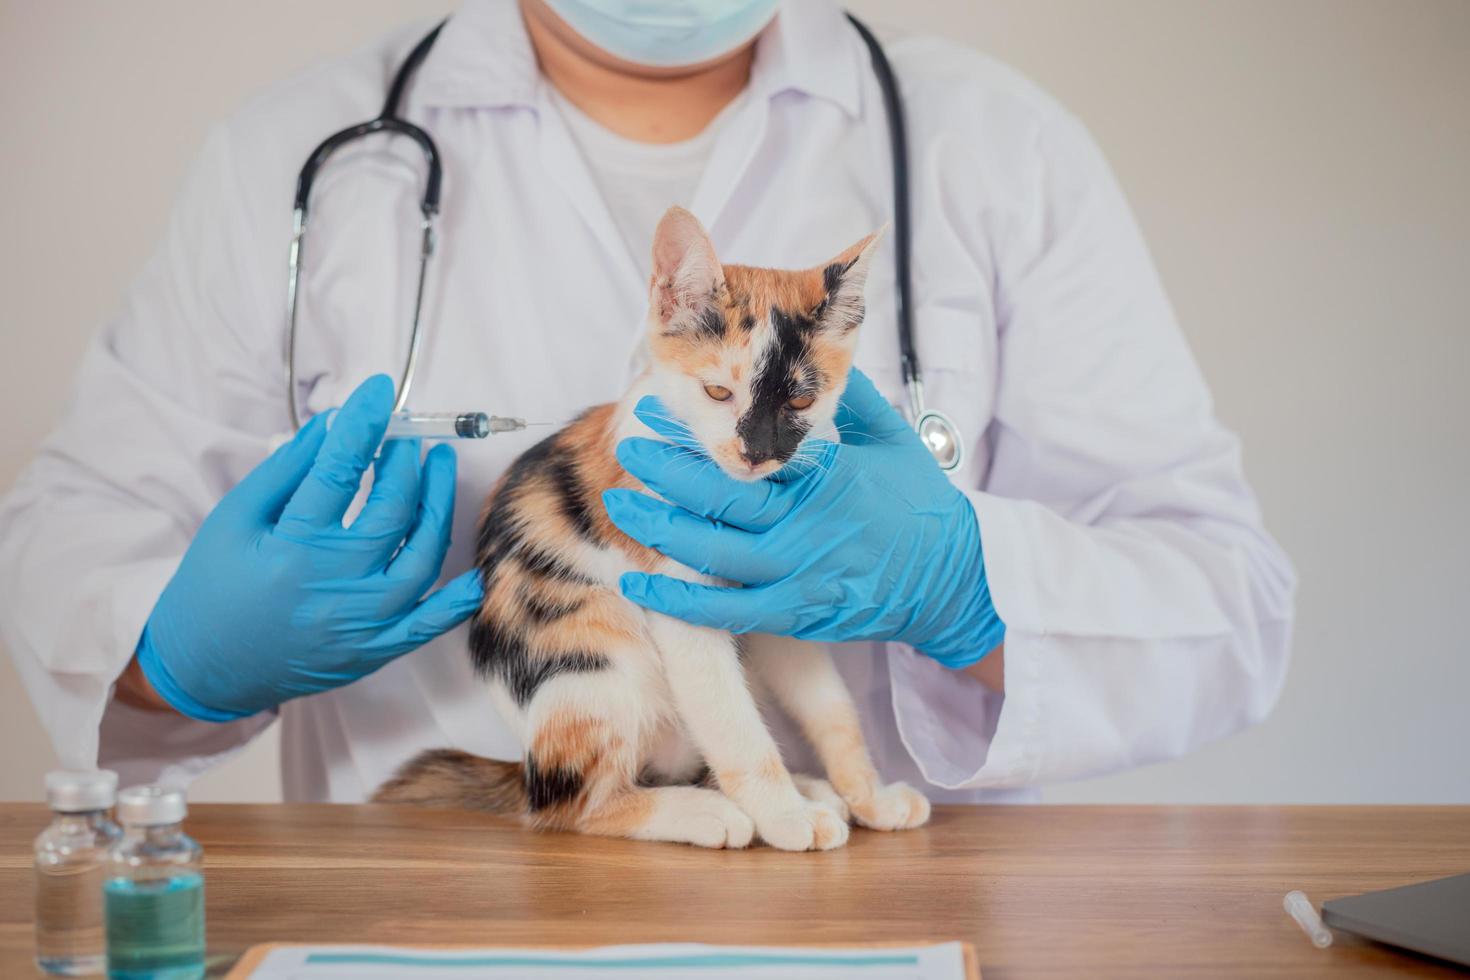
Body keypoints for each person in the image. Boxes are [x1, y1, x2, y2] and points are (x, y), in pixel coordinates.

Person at [0, 0, 1295, 803]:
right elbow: (66, 549)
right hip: (437, 930)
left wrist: (965, 589)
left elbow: (1223, 606)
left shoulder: (992, 148)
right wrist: (177, 660)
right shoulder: (300, 161)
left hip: (886, 925)